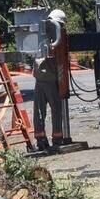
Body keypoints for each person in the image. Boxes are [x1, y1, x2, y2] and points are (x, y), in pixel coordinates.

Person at [32, 8, 70, 151]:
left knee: (39, 111)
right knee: (56, 110)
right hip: (51, 79)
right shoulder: (56, 32)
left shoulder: (41, 29)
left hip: (39, 77)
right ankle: (57, 138)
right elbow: (59, 54)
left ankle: (41, 140)